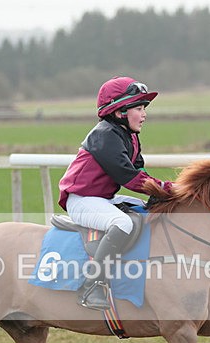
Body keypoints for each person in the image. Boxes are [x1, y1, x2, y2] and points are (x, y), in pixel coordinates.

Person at [58, 76, 173, 310]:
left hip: (103, 198)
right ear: (120, 111)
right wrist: (167, 188)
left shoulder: (130, 136)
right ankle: (92, 285)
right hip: (82, 201)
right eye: (139, 108)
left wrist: (160, 191)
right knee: (123, 223)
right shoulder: (105, 135)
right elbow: (128, 177)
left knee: (145, 208)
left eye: (144, 109)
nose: (144, 114)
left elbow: (138, 170)